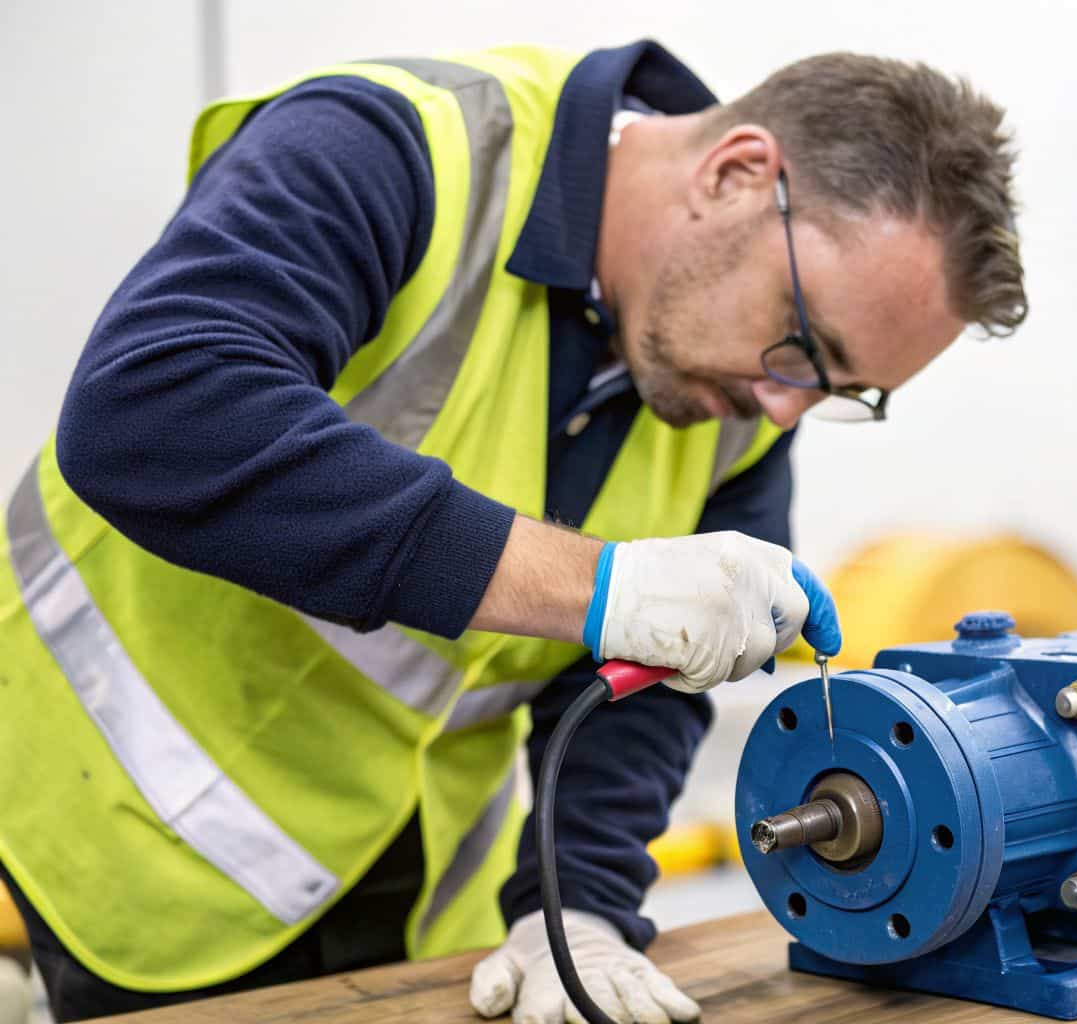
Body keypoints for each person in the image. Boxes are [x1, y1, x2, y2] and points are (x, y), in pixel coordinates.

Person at [0, 40, 1025, 1024]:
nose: (784, 406)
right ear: (734, 173)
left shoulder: (735, 394)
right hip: (133, 829)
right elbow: (155, 409)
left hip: (407, 874)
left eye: (844, 393)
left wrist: (573, 901)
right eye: (806, 345)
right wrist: (594, 586)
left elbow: (655, 676)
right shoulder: (396, 146)